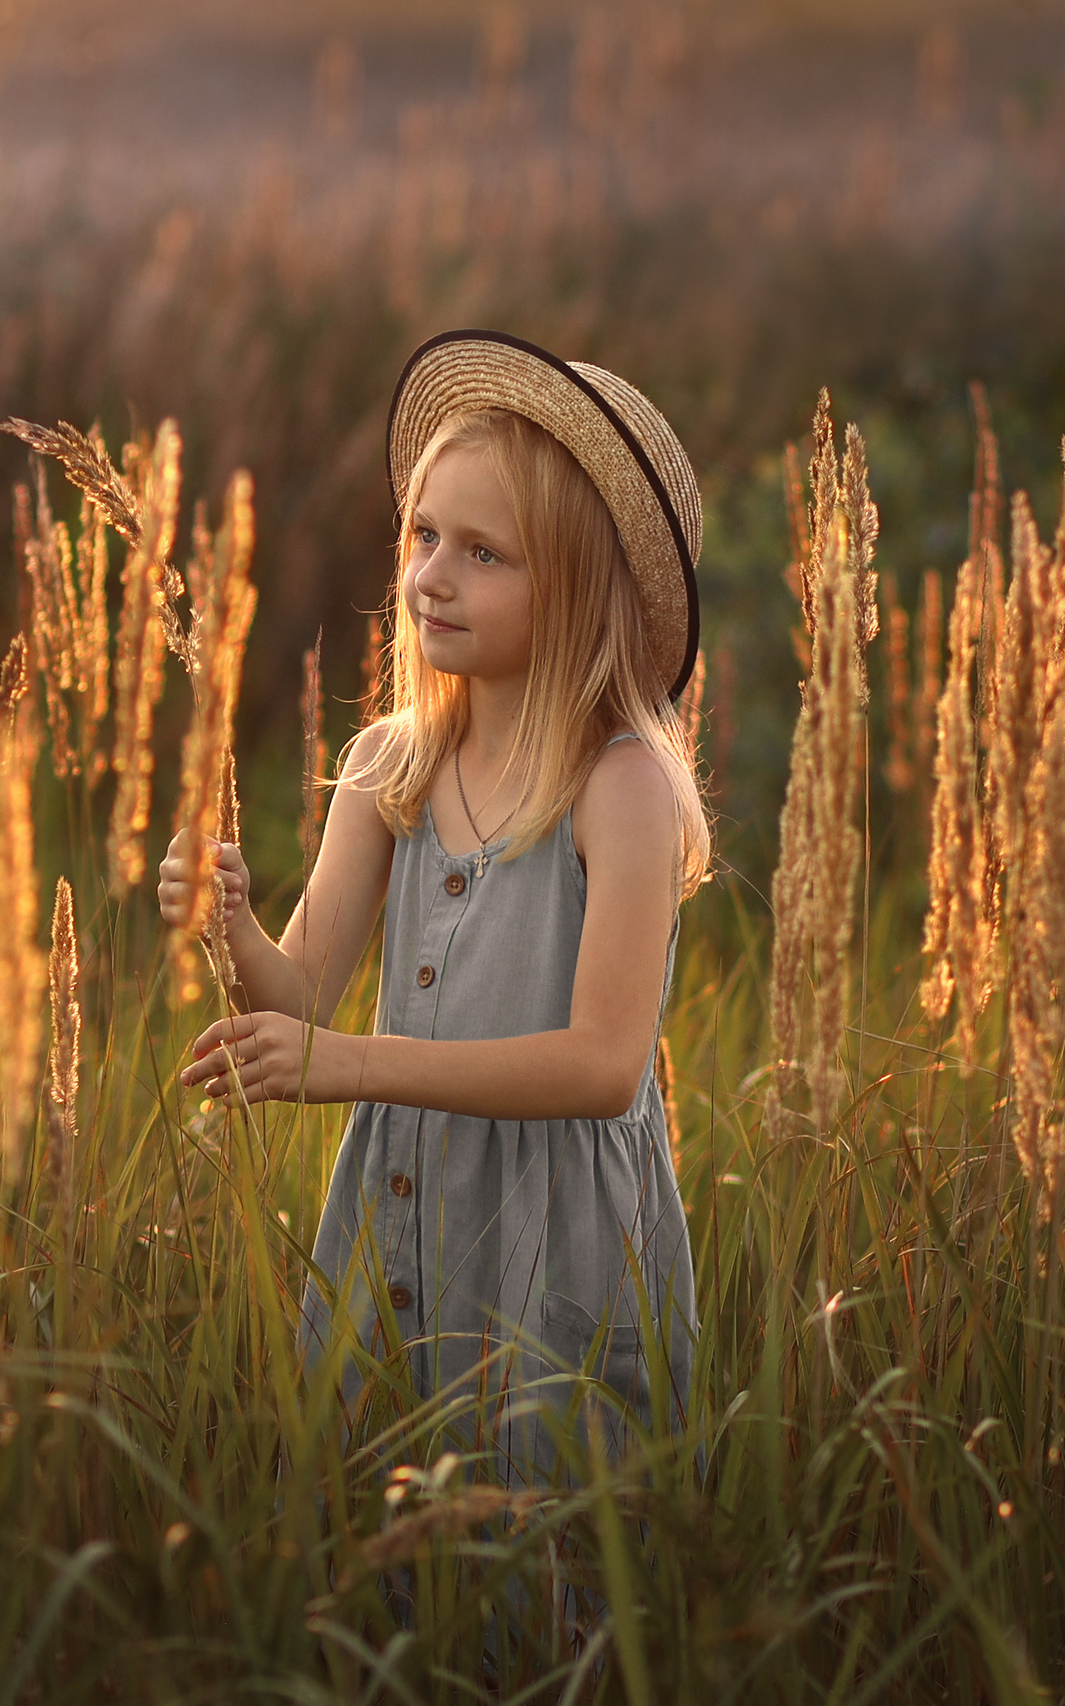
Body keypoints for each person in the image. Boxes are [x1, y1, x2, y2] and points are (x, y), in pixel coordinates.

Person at [159, 329, 714, 1478]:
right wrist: (230, 924)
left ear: (579, 586)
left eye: (483, 552)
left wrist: (356, 1063)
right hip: (395, 1218)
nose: (428, 575)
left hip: (553, 1248)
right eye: (421, 535)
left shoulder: (622, 788)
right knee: (387, 1540)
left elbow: (605, 1064)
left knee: (544, 1561)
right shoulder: (386, 765)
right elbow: (301, 988)